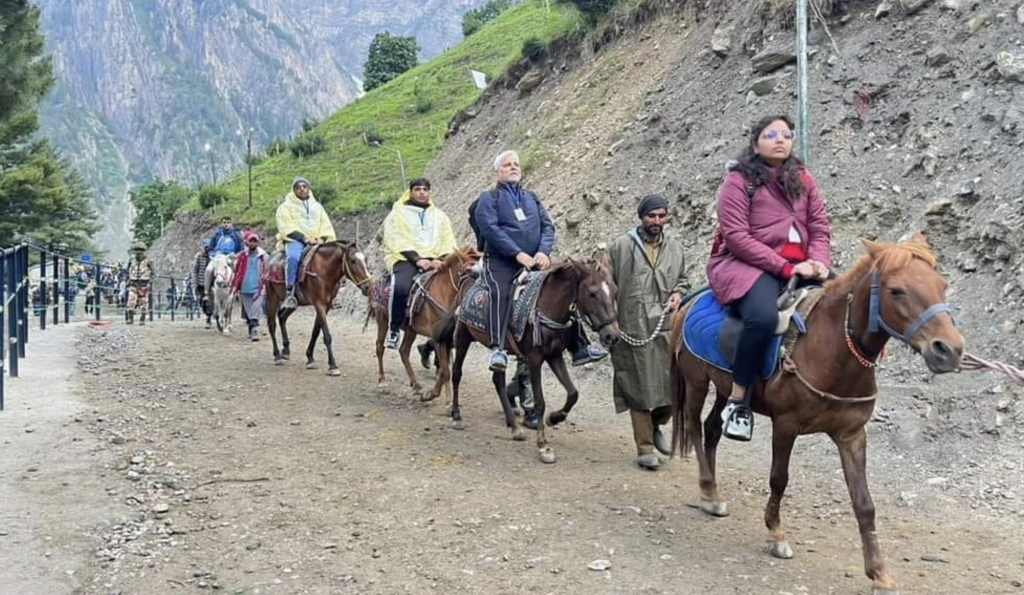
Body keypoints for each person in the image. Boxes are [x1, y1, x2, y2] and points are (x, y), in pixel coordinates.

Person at [708, 115, 832, 442]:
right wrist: (787, 268)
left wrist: (819, 261)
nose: (780, 139)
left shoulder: (804, 179)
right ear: (755, 143)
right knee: (762, 318)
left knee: (852, 301)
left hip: (802, 264)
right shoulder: (737, 182)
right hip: (747, 264)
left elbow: (819, 227)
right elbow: (736, 237)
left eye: (786, 134)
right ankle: (738, 401)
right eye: (771, 134)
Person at [608, 195, 688, 471]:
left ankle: (656, 425)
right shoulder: (619, 247)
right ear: (641, 217)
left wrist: (679, 292)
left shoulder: (675, 248)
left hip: (666, 327)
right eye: (651, 216)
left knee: (674, 387)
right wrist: (610, 324)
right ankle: (644, 448)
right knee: (638, 387)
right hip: (632, 327)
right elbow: (605, 288)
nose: (656, 221)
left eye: (661, 216)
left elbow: (684, 279)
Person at [471, 150, 556, 372]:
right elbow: (491, 230)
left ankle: (579, 344)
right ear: (498, 171)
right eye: (507, 165)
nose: (513, 167)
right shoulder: (488, 199)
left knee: (565, 285)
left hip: (535, 259)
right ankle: (498, 348)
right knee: (501, 292)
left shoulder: (531, 197)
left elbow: (548, 226)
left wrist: (544, 251)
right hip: (501, 261)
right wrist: (516, 253)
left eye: (516, 164)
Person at [381, 178, 458, 349]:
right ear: (411, 192)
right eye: (417, 189)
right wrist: (418, 259)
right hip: (406, 258)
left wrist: (443, 259)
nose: (422, 192)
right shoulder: (398, 213)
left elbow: (448, 240)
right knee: (400, 287)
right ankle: (394, 329)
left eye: (425, 189)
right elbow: (397, 238)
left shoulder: (440, 216)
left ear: (430, 192)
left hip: (436, 260)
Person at [275, 176, 337, 310]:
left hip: (317, 240)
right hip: (296, 240)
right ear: (294, 190)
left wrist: (323, 238)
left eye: (304, 187)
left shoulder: (317, 207)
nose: (302, 189)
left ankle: (333, 292)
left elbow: (326, 224)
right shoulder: (285, 207)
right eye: (298, 187)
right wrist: (304, 238)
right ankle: (289, 292)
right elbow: (285, 226)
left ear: (308, 188)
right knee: (293, 258)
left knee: (334, 258)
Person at [232, 231, 268, 341]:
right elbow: (236, 269)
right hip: (244, 287)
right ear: (247, 242)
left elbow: (267, 271)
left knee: (255, 310)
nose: (252, 243)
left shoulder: (264, 257)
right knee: (249, 311)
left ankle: (255, 331)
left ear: (258, 243)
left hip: (259, 288)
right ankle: (251, 329)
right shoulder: (242, 256)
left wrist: (266, 286)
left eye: (255, 241)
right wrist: (235, 287)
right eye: (250, 241)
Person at [126, 241, 154, 325]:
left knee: (143, 302)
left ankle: (142, 319)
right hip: (133, 283)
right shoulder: (131, 261)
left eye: (140, 251)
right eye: (137, 250)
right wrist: (127, 280)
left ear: (143, 251)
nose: (138, 253)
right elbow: (128, 271)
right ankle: (130, 319)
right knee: (131, 301)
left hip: (144, 284)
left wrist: (150, 281)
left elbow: (153, 273)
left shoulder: (149, 261)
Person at [191, 238, 212, 327]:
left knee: (210, 301)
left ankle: (209, 317)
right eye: (206, 247)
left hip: (212, 283)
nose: (207, 249)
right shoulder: (199, 256)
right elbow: (195, 270)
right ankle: (207, 313)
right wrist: (194, 282)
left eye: (209, 247)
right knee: (202, 301)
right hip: (201, 283)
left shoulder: (213, 256)